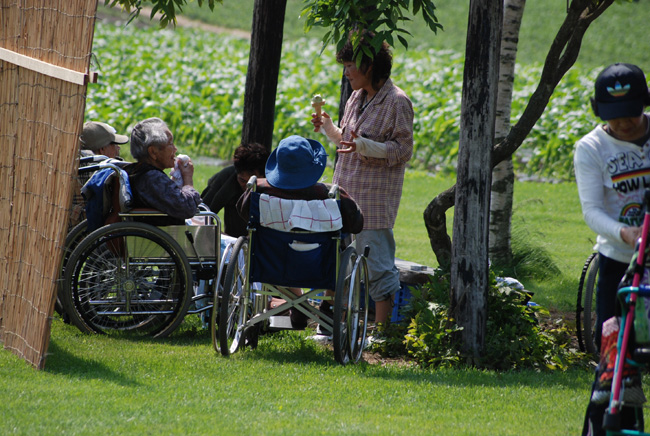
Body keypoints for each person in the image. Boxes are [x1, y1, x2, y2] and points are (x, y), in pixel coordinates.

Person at [311, 33, 413, 330]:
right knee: (337, 259)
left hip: (374, 202)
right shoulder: (357, 96)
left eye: (349, 65)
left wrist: (365, 146)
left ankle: (382, 334)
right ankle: (329, 326)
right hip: (343, 194)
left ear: (369, 66)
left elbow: (403, 150)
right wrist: (329, 127)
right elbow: (349, 140)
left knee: (377, 267)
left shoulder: (398, 102)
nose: (346, 72)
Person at [575, 63, 650, 436]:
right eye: (613, 116)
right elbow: (591, 210)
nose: (623, 123)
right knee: (614, 363)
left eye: (630, 114)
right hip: (618, 264)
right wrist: (627, 234)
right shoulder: (591, 148)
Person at [237, 135, 364, 330]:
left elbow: (244, 212)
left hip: (271, 262)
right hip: (318, 265)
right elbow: (356, 224)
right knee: (339, 244)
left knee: (277, 245)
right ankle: (328, 306)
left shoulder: (259, 190)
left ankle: (298, 305)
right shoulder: (329, 195)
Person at [124, 117, 202, 225]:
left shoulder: (138, 171)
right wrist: (187, 178)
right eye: (170, 143)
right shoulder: (152, 178)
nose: (175, 149)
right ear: (153, 152)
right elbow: (187, 208)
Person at [201, 142, 269, 237]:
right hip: (233, 243)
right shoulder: (227, 177)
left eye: (253, 183)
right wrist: (223, 237)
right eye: (242, 180)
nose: (247, 187)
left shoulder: (271, 185)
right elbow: (202, 214)